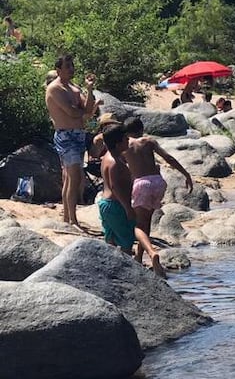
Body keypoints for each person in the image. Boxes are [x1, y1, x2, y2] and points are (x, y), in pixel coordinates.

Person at [123, 116, 193, 263]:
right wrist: (186, 174)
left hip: (141, 183)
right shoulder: (149, 141)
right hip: (158, 182)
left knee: (138, 224)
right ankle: (139, 257)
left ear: (126, 132)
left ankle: (151, 252)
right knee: (146, 221)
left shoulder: (125, 145)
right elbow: (169, 158)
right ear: (141, 129)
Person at [100, 124, 165, 277]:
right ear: (118, 143)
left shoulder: (107, 158)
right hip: (116, 206)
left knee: (110, 239)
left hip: (105, 204)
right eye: (125, 139)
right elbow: (115, 186)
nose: (128, 141)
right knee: (126, 244)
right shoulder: (116, 163)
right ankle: (127, 275)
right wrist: (127, 208)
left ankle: (111, 272)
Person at [45, 54, 96, 228]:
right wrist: (83, 111)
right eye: (68, 66)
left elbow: (88, 110)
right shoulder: (55, 89)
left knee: (70, 177)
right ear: (59, 70)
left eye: (72, 65)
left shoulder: (74, 88)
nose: (71, 69)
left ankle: (67, 217)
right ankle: (72, 219)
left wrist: (89, 90)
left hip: (79, 134)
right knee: (74, 177)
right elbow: (72, 112)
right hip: (65, 135)